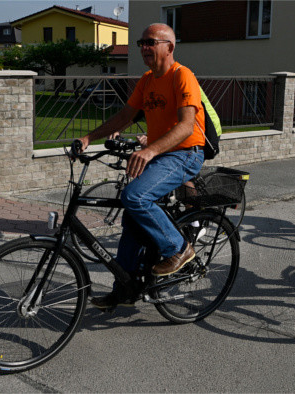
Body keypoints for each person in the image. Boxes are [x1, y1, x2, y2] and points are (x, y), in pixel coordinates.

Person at [75, 23, 206, 309]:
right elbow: (124, 116)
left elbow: (186, 127)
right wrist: (89, 137)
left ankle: (179, 248)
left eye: (151, 42)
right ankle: (125, 288)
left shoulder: (182, 76)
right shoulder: (147, 80)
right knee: (131, 222)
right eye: (141, 43)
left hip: (186, 153)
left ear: (169, 47)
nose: (144, 48)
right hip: (162, 154)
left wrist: (149, 151)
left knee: (134, 196)